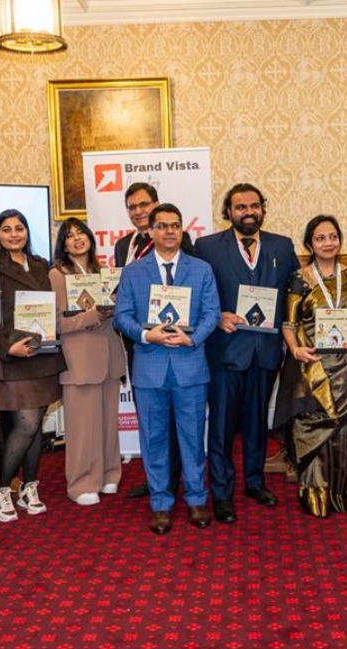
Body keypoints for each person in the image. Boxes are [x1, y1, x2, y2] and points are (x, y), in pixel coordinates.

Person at [195, 183, 300, 524]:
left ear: (263, 209)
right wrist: (217, 316)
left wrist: (291, 335)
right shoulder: (207, 247)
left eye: (254, 206)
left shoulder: (282, 246)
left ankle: (255, 482)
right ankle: (222, 494)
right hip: (225, 350)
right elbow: (195, 293)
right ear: (228, 211)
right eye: (240, 207)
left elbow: (295, 294)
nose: (248, 212)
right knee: (222, 427)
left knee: (257, 423)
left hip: (266, 351)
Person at [113, 203, 221, 534]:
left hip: (190, 366)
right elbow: (121, 316)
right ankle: (160, 503)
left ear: (182, 230)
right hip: (149, 367)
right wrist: (146, 334)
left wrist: (193, 338)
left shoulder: (201, 270)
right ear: (151, 231)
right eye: (162, 225)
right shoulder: (133, 272)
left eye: (175, 225)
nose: (169, 231)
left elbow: (212, 313)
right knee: (153, 439)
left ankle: (197, 499)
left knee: (193, 439)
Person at [0, 209, 67, 521]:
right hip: (12, 357)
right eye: (7, 229)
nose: (14, 234)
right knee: (26, 425)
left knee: (36, 426)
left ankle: (29, 487)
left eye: (19, 228)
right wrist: (8, 346)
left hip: (43, 356)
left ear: (27, 232)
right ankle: (1, 489)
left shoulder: (39, 265)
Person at [272, 215, 347, 517]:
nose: (328, 243)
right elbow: (289, 325)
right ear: (310, 244)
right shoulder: (299, 279)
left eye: (333, 237)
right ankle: (317, 490)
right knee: (313, 428)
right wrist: (295, 350)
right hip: (312, 366)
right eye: (320, 238)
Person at [112, 182, 192, 500]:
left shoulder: (180, 242)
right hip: (140, 343)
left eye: (144, 205)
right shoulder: (124, 246)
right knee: (151, 420)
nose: (138, 211)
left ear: (156, 206)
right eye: (132, 207)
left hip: (173, 343)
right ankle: (156, 479)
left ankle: (172, 480)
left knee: (174, 420)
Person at [50, 217, 127, 505]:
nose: (77, 239)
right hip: (79, 359)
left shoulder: (104, 271)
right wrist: (93, 315)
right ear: (64, 244)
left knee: (108, 423)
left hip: (109, 355)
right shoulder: (57, 275)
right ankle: (81, 482)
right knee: (83, 427)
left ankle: (109, 474)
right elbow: (57, 323)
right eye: (70, 235)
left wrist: (118, 306)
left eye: (81, 233)